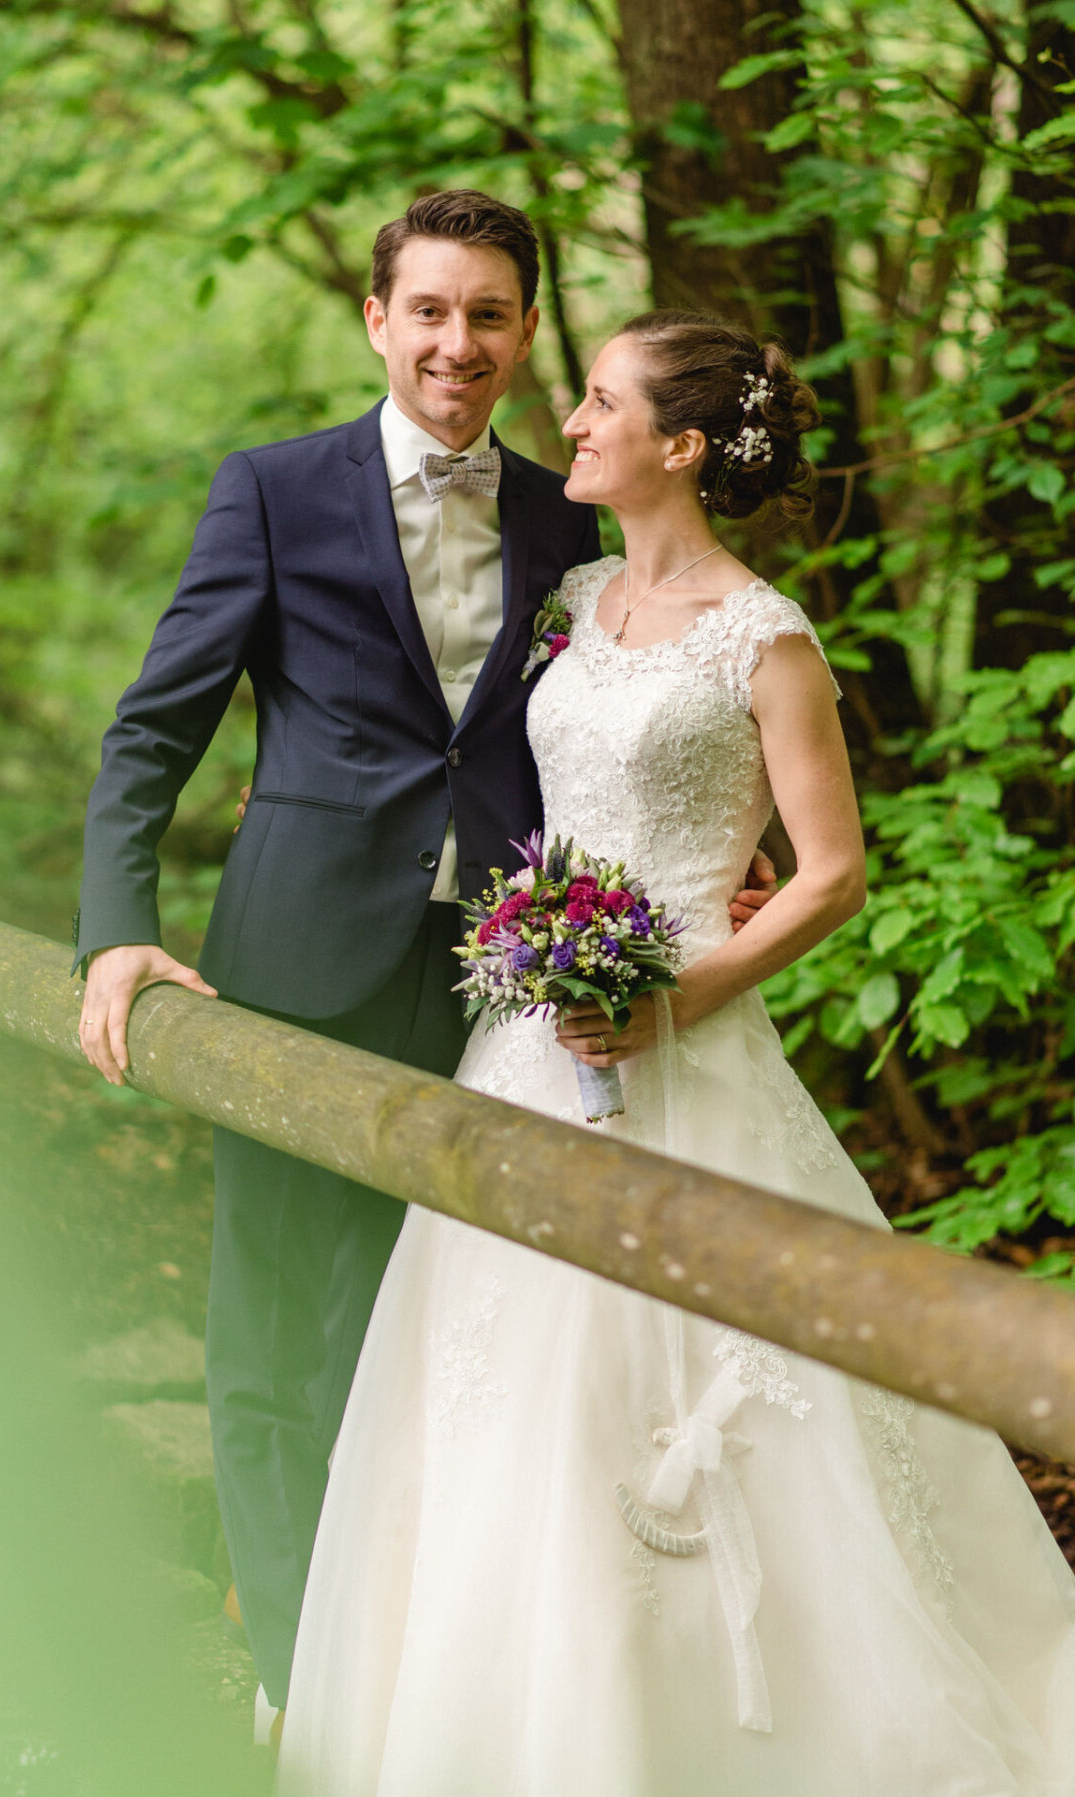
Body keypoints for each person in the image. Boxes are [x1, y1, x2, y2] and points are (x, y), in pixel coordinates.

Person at [274, 313, 1075, 1796]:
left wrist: (679, 995)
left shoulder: (766, 635)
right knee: (496, 1388)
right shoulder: (570, 596)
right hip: (525, 1043)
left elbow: (830, 870)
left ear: (681, 445)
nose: (568, 419)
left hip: (682, 1043)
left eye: (598, 400)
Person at [71, 188, 782, 1747]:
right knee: (273, 1337)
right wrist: (117, 925)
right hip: (291, 967)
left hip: (502, 996)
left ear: (527, 335)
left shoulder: (565, 518)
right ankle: (290, 1674)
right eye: (432, 310)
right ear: (379, 319)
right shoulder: (269, 491)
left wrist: (722, 851)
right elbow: (152, 730)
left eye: (492, 316)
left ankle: (431, 1669)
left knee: (443, 1343)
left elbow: (609, 714)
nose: (460, 343)